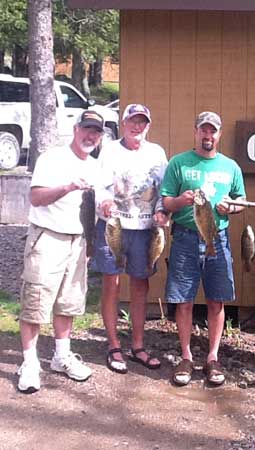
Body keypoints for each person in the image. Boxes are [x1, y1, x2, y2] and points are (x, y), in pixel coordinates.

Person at [17, 111, 104, 393]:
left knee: (69, 301)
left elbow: (100, 203)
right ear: (76, 129)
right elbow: (36, 197)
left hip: (79, 241)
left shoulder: (95, 166)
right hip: (48, 237)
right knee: (36, 299)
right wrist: (67, 187)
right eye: (87, 130)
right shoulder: (52, 159)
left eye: (96, 132)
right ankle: (30, 362)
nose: (91, 136)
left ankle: (61, 355)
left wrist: (106, 207)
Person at [161, 111, 246, 386]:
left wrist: (231, 207)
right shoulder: (179, 164)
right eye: (203, 131)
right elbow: (166, 203)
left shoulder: (230, 167)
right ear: (196, 132)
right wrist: (180, 201)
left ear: (219, 135)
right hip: (185, 238)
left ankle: (212, 357)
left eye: (213, 131)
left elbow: (242, 201)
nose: (208, 136)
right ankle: (185, 356)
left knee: (216, 299)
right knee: (184, 301)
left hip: (216, 238)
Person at [92, 104, 169, 374]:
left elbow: (164, 189)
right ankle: (114, 345)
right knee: (111, 283)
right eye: (133, 122)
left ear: (148, 126)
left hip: (145, 229)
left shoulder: (157, 153)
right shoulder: (110, 149)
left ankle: (137, 346)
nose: (138, 127)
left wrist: (162, 211)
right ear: (123, 123)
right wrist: (103, 203)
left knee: (140, 285)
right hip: (114, 225)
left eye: (143, 123)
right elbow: (99, 184)